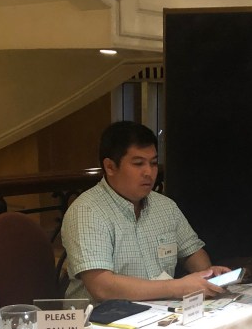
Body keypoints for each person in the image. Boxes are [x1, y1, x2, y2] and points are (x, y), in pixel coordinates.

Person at [61, 121, 230, 301]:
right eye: (138, 163)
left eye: (154, 163)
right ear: (110, 167)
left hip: (161, 312)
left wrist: (208, 275)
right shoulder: (87, 211)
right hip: (102, 316)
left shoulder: (165, 206)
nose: (149, 172)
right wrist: (177, 287)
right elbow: (102, 288)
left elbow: (192, 252)